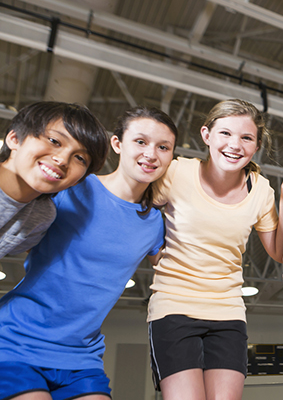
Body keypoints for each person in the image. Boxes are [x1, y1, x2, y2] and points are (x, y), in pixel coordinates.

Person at [0, 106, 177, 399]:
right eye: (141, 142)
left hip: (80, 354)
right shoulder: (69, 186)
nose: (151, 154)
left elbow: (178, 270)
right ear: (118, 144)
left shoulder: (155, 223)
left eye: (163, 147)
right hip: (17, 339)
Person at [148, 99, 283, 400]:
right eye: (225, 134)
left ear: (256, 146)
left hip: (228, 311)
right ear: (206, 135)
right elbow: (140, 216)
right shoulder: (176, 172)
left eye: (246, 138)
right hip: (174, 306)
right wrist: (156, 253)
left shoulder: (260, 190)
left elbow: (279, 253)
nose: (235, 145)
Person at [0, 101, 108, 259]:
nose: (63, 160)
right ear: (15, 139)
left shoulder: (41, 216)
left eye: (80, 158)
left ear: (78, 180)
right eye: (54, 141)